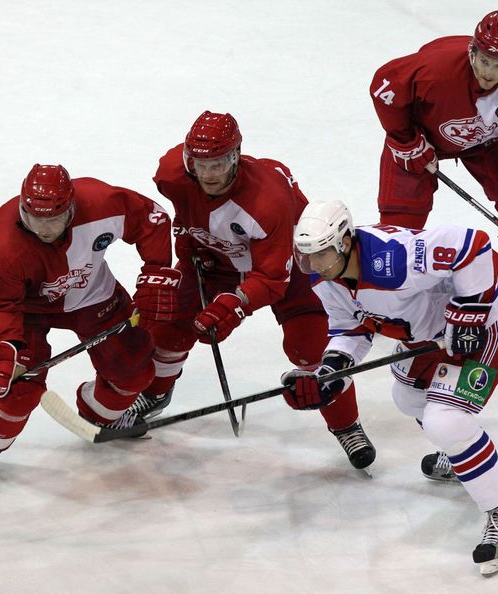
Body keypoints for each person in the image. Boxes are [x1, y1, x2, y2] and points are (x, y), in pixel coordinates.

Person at [282, 199, 498, 575]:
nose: (313, 266)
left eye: (320, 255)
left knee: (445, 421)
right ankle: (464, 459)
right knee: (408, 397)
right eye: (307, 257)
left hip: (487, 323)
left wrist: (470, 311)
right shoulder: (326, 278)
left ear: (345, 242)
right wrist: (329, 375)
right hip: (429, 335)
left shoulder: (395, 259)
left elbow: (473, 245)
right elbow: (350, 329)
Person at [132, 110, 375, 470]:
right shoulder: (171, 174)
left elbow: (272, 279)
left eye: (219, 163)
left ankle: (346, 425)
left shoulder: (267, 203)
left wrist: (233, 304)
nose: (209, 174)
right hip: (213, 263)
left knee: (310, 350)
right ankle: (154, 395)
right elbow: (179, 215)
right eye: (200, 163)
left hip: (291, 269)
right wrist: (185, 251)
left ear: (237, 156)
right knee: (168, 328)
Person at [0, 163, 181, 479]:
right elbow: (1, 307)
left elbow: (152, 219)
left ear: (72, 209)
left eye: (54, 219)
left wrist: (157, 273)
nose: (44, 228)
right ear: (23, 207)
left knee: (133, 368)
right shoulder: (2, 243)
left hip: (92, 296)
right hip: (27, 312)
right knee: (15, 389)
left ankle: (99, 414)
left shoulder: (100, 202)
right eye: (34, 218)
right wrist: (7, 349)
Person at [369, 9, 498, 317]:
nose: (489, 72)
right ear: (472, 51)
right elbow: (384, 87)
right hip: (420, 139)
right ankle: (388, 292)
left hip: (485, 145)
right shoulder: (436, 68)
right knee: (401, 219)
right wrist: (404, 139)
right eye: (485, 61)